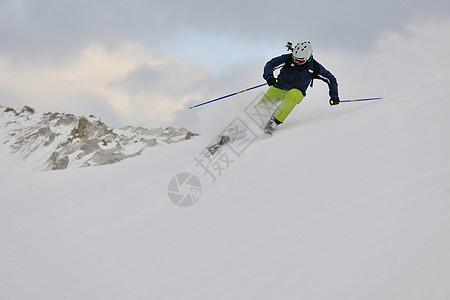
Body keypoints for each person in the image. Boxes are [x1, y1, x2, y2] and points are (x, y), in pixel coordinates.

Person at [259, 41, 339, 135]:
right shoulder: (288, 59)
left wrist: (334, 95)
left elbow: (331, 79)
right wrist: (269, 77)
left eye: (300, 61)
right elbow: (270, 64)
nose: (296, 62)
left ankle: (274, 122)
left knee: (293, 95)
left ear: (308, 58)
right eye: (295, 59)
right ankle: (251, 121)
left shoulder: (315, 67)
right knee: (261, 107)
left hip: (297, 91)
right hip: (280, 86)